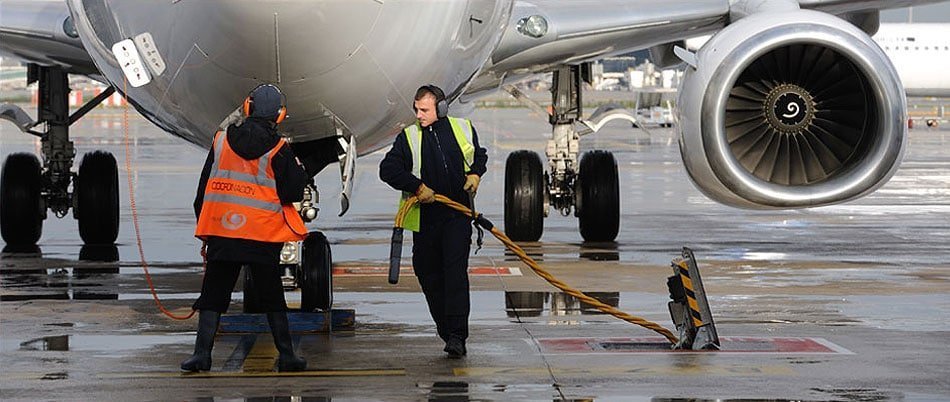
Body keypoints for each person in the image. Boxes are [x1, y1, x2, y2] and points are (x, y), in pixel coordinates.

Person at [182, 84, 309, 372]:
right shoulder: (279, 149)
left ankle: (202, 355)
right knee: (272, 297)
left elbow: (203, 191)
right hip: (261, 236)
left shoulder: (221, 142)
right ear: (280, 116)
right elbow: (292, 192)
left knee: (213, 295)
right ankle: (287, 355)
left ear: (247, 107)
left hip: (223, 233)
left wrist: (206, 231)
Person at [379, 85, 488, 358]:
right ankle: (446, 329)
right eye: (416, 109)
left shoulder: (462, 128)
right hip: (425, 220)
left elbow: (479, 154)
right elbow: (388, 169)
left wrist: (475, 174)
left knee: (454, 276)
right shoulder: (409, 137)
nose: (419, 115)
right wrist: (416, 187)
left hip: (457, 216)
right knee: (427, 274)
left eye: (424, 110)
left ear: (441, 109)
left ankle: (457, 335)